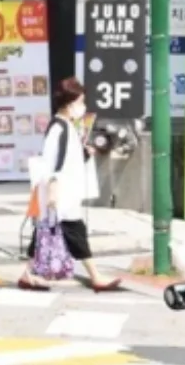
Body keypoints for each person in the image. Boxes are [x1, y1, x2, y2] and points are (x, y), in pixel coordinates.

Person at [18, 77, 121, 292]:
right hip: (60, 194)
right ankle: (96, 276)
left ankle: (27, 274)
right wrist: (53, 190)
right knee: (75, 231)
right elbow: (53, 162)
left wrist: (85, 152)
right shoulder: (60, 129)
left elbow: (66, 159)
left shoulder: (65, 126)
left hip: (63, 192)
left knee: (43, 233)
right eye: (81, 101)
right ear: (70, 102)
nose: (83, 106)